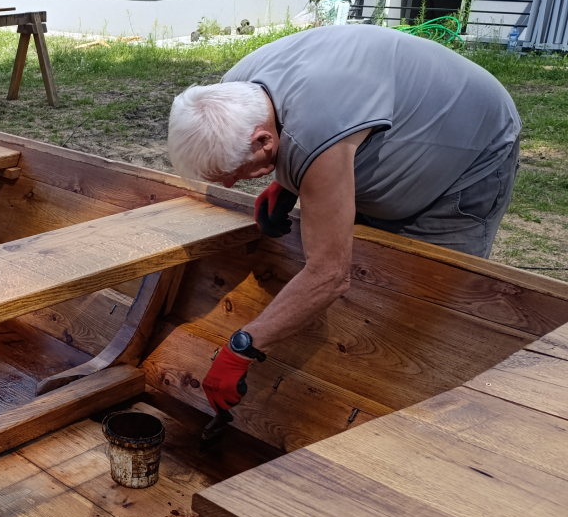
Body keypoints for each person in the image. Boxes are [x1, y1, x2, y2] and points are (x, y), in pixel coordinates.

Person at [166, 25, 521, 415]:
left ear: (264, 141)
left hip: (469, 145)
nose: (232, 184)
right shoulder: (232, 93)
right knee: (371, 278)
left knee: (430, 299)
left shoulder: (317, 133)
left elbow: (329, 276)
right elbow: (313, 134)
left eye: (234, 172)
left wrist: (242, 348)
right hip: (370, 120)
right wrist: (289, 181)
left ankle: (436, 412)